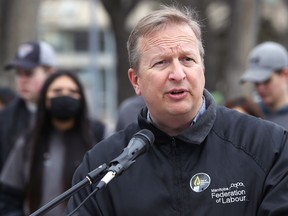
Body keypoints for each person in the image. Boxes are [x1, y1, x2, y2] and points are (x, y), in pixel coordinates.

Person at [66, 6, 288, 215]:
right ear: (136, 80)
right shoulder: (100, 168)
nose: (178, 74)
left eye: (187, 59)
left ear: (201, 68)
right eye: (161, 62)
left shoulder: (269, 148)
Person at [0, 71, 108, 215]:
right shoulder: (29, 142)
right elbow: (9, 197)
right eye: (57, 91)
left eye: (73, 91)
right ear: (45, 98)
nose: (65, 95)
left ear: (81, 98)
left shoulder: (100, 137)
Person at [0, 40, 56, 171]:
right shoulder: (5, 118)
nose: (22, 80)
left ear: (51, 74)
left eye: (29, 73)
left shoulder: (66, 114)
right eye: (18, 73)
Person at [240, 41, 288, 128]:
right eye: (256, 82)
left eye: (266, 81)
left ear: (285, 74)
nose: (260, 88)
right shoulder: (249, 114)